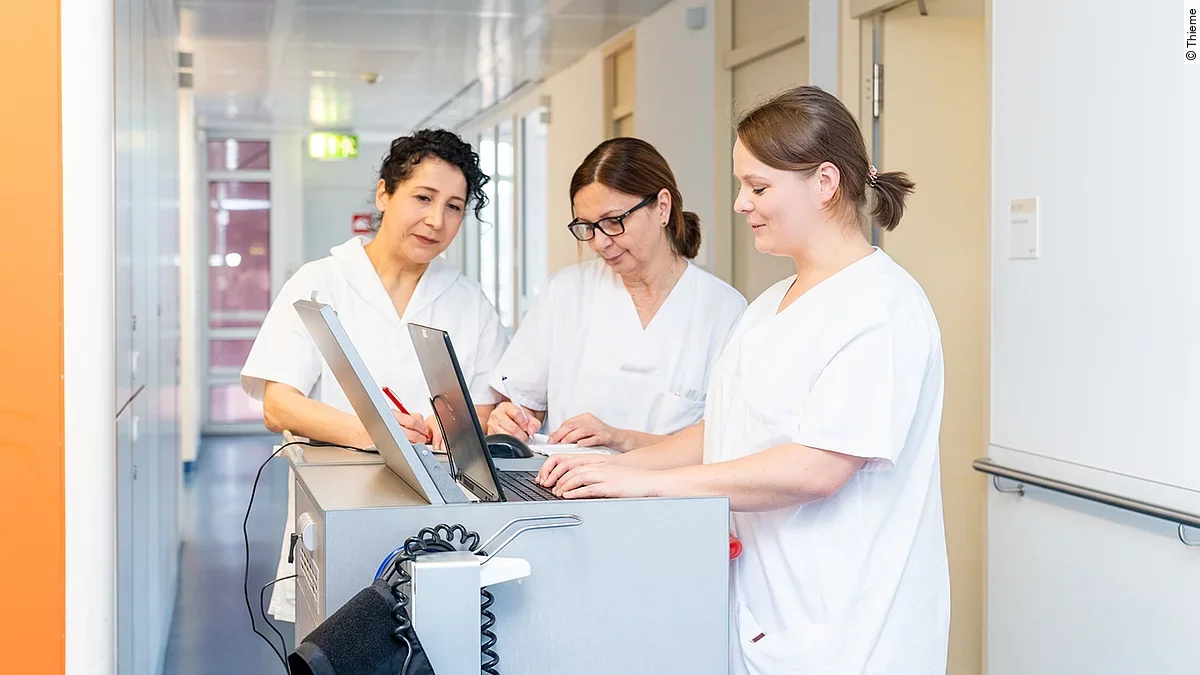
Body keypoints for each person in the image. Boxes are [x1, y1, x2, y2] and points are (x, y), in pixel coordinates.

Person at [537, 86, 951, 674]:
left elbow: (818, 468)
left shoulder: (881, 307)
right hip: (765, 609)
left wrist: (648, 486)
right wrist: (602, 470)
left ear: (824, 182)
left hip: (848, 629)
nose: (739, 204)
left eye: (757, 187)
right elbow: (726, 432)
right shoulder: (771, 304)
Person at [240, 128, 509, 623]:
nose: (437, 220)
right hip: (338, 509)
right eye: (423, 198)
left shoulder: (468, 300)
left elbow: (485, 410)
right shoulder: (322, 281)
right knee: (333, 642)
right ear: (385, 193)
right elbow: (278, 405)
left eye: (454, 207)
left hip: (442, 519)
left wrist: (453, 426)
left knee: (438, 639)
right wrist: (377, 433)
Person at [485, 137, 746, 452]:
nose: (599, 243)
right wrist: (511, 420)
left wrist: (619, 439)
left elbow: (726, 441)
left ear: (662, 207)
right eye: (587, 227)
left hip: (670, 484)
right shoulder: (565, 293)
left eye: (613, 222)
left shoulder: (723, 309)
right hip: (566, 480)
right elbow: (523, 404)